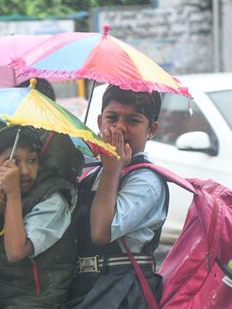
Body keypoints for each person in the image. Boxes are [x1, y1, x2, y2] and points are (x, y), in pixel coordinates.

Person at [64, 85, 168, 309]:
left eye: (133, 120)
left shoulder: (146, 180)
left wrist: (112, 169)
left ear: (152, 129)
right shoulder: (92, 172)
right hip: (84, 288)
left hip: (123, 293)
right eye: (112, 117)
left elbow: (101, 232)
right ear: (100, 121)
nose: (120, 127)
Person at [0, 120, 77, 308]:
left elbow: (16, 252)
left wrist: (13, 194)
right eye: (12, 162)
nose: (24, 171)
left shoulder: (53, 198)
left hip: (39, 301)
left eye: (31, 160)